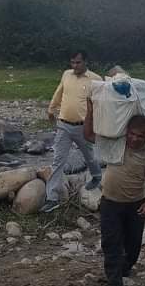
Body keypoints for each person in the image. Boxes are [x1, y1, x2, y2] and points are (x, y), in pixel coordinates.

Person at [85, 113, 145, 286]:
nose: (135, 139)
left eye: (140, 136)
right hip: (110, 203)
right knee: (111, 244)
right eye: (132, 134)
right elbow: (88, 135)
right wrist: (90, 110)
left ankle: (123, 269)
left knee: (133, 246)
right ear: (126, 131)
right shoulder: (115, 144)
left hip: (136, 205)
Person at [41, 50, 103, 213]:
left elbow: (101, 105)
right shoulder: (66, 75)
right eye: (72, 62)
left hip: (84, 127)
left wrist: (99, 125)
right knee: (58, 161)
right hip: (64, 125)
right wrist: (51, 109)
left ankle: (96, 176)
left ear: (85, 62)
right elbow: (59, 91)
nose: (75, 66)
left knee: (89, 156)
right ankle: (51, 198)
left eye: (78, 62)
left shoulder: (96, 80)